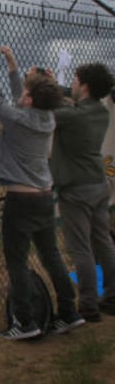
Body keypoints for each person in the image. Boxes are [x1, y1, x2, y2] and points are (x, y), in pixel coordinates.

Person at [0, 41, 85, 340]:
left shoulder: (20, 118)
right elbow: (19, 95)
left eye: (27, 93)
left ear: (31, 101)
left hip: (21, 201)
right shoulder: (45, 117)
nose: (22, 95)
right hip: (43, 197)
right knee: (52, 256)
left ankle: (25, 322)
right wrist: (12, 64)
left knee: (16, 261)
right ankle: (69, 313)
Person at [51, 63, 115, 322]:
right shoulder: (100, 111)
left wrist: (40, 85)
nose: (73, 84)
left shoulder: (71, 115)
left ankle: (87, 304)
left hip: (75, 189)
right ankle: (111, 296)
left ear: (85, 85)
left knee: (81, 249)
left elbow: (48, 109)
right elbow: (69, 98)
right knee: (103, 242)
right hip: (99, 185)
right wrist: (57, 85)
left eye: (75, 80)